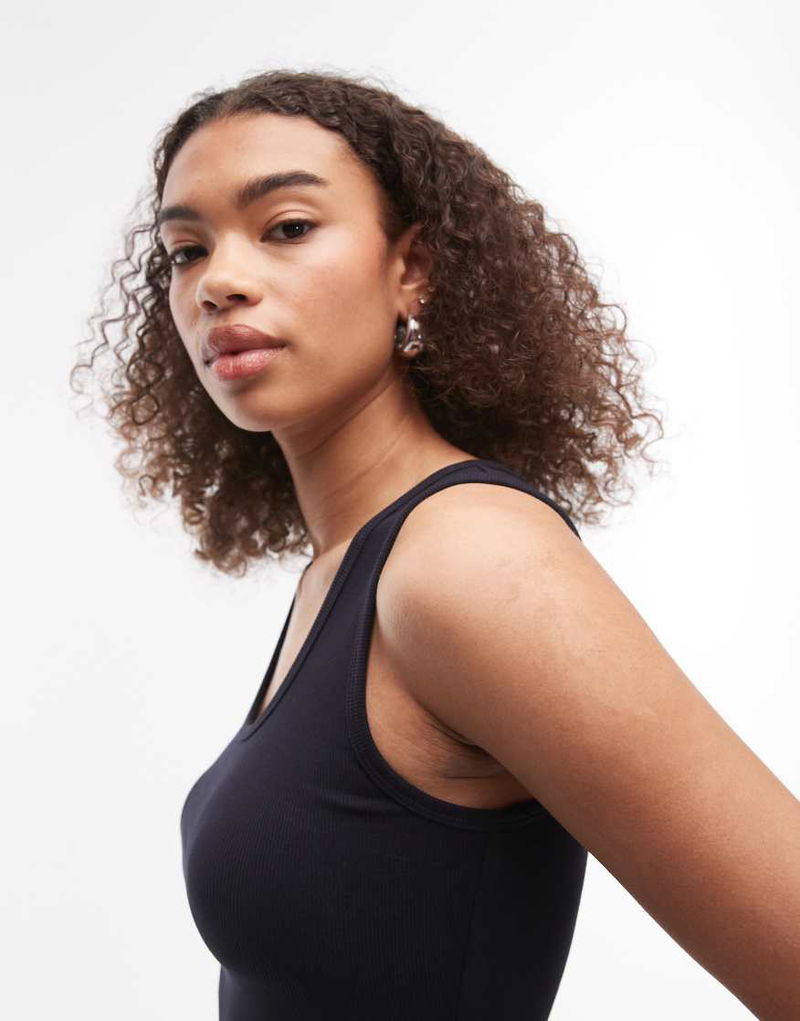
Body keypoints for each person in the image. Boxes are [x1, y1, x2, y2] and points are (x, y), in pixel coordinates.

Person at [70, 69, 800, 1019]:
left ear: (411, 268)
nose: (219, 281)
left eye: (287, 227)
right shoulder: (350, 566)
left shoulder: (467, 559)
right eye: (186, 250)